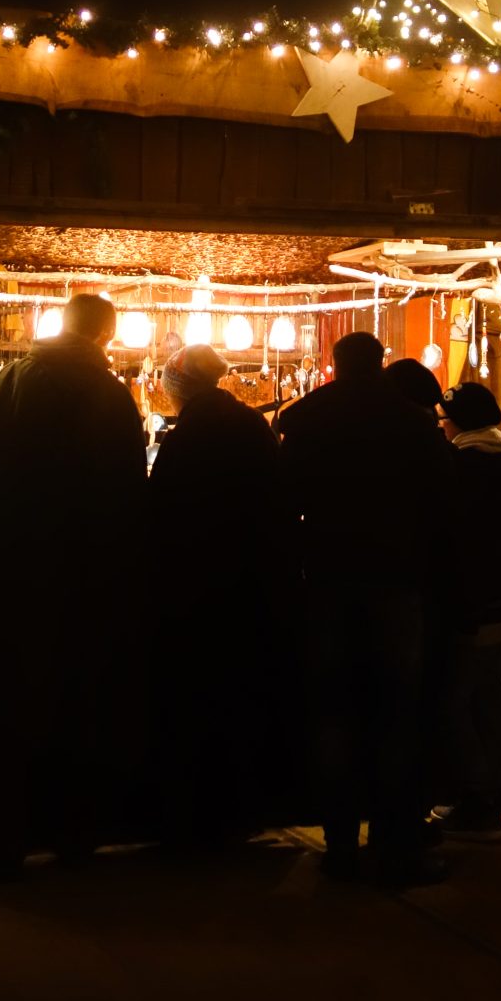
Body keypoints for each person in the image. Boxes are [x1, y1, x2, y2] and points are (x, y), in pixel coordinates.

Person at [0, 294, 150, 878]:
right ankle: (73, 835)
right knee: (77, 708)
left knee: (2, 708)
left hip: (5, 579)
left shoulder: (11, 383)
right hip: (83, 586)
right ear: (105, 335)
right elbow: (123, 495)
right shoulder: (104, 394)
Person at [276, 331, 451, 886]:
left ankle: (340, 845)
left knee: (335, 714)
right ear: (378, 365)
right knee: (396, 714)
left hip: (328, 578)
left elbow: (285, 503)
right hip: (397, 582)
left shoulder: (308, 419)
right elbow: (440, 502)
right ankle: (395, 844)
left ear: (334, 364)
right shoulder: (411, 423)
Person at [147, 342, 300, 847]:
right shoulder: (249, 425)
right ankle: (241, 812)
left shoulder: (189, 435)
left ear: (178, 388)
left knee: (195, 708)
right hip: (252, 590)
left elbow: (163, 514)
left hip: (197, 594)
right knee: (244, 703)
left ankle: (197, 819)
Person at [427, 381, 501, 842]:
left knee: (456, 703)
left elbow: (454, 542)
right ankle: (490, 793)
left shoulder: (461, 466)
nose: (442, 424)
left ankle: (477, 798)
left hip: (477, 604)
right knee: (489, 699)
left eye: (445, 418)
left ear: (458, 422)